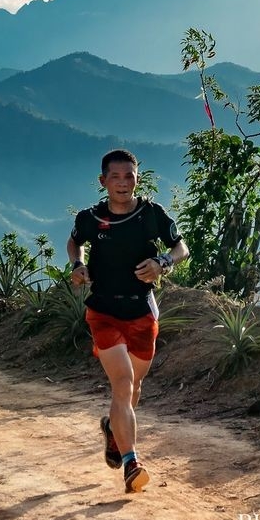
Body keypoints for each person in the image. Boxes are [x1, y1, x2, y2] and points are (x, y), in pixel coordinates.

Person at [66, 149, 189, 493]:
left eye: (129, 176)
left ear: (138, 178)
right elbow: (75, 242)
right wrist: (78, 266)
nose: (123, 183)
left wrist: (164, 262)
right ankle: (131, 463)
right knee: (122, 383)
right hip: (103, 311)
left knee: (134, 387)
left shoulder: (152, 214)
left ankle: (112, 431)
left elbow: (181, 247)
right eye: (115, 177)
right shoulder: (90, 217)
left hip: (141, 311)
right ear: (102, 181)